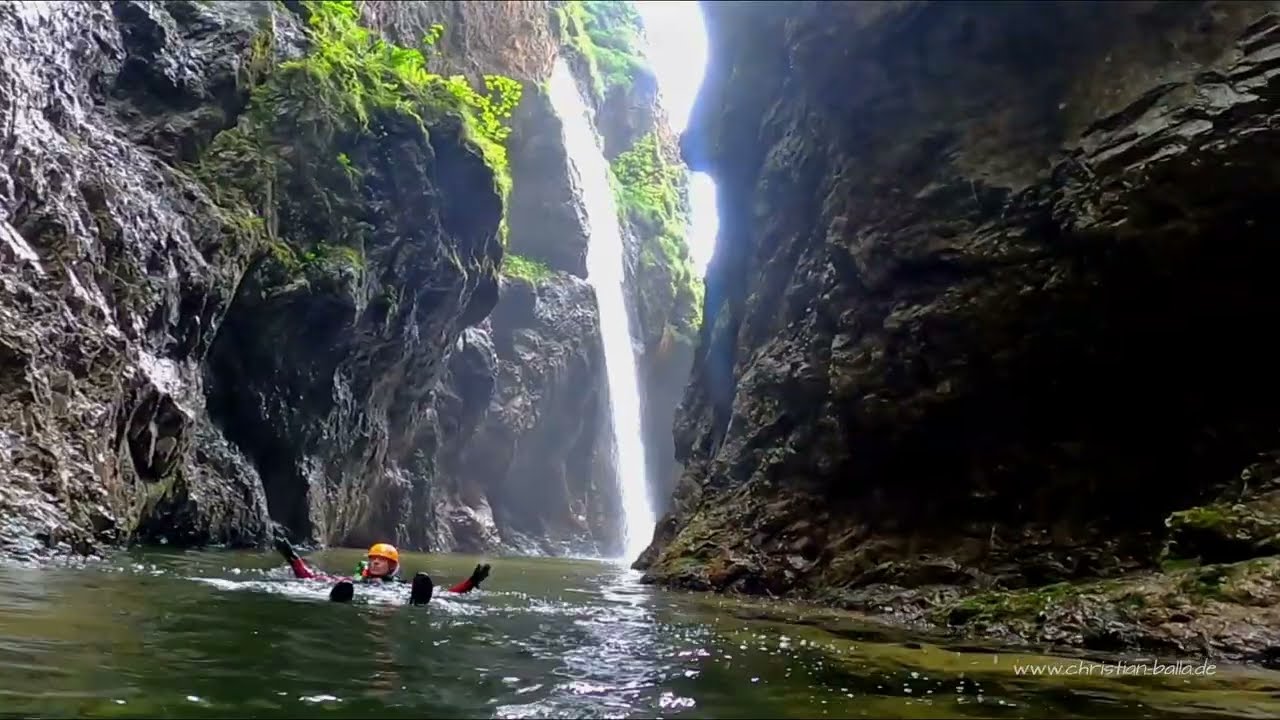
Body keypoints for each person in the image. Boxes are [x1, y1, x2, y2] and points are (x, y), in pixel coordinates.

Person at [274, 536, 491, 605]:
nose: (375, 563)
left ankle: (417, 603)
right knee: (336, 586)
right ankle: (338, 600)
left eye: (381, 560)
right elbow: (311, 578)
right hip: (358, 593)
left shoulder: (400, 585)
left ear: (392, 566)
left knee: (422, 595)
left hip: (391, 599)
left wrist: (471, 582)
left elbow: (447, 594)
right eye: (373, 559)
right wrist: (294, 559)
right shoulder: (355, 579)